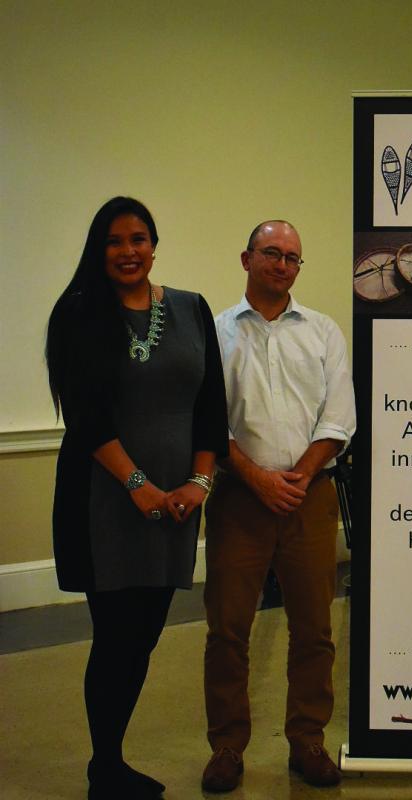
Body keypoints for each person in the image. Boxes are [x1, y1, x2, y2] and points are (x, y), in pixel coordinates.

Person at [46, 196, 229, 799]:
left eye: (139, 239)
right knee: (116, 634)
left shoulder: (192, 309)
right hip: (106, 503)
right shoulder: (77, 314)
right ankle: (106, 767)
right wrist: (140, 487)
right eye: (115, 242)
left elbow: (210, 407)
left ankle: (111, 763)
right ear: (99, 250)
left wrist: (197, 486)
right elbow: (85, 416)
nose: (128, 252)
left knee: (146, 634)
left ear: (155, 244)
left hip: (174, 506)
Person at [201, 220, 356, 792]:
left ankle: (307, 740)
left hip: (309, 499)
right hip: (239, 499)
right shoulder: (213, 332)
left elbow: (339, 418)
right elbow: (209, 425)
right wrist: (258, 480)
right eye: (272, 253)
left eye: (293, 257)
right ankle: (226, 747)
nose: (283, 264)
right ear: (246, 258)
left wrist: (297, 476)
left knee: (314, 628)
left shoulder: (322, 332)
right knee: (227, 631)